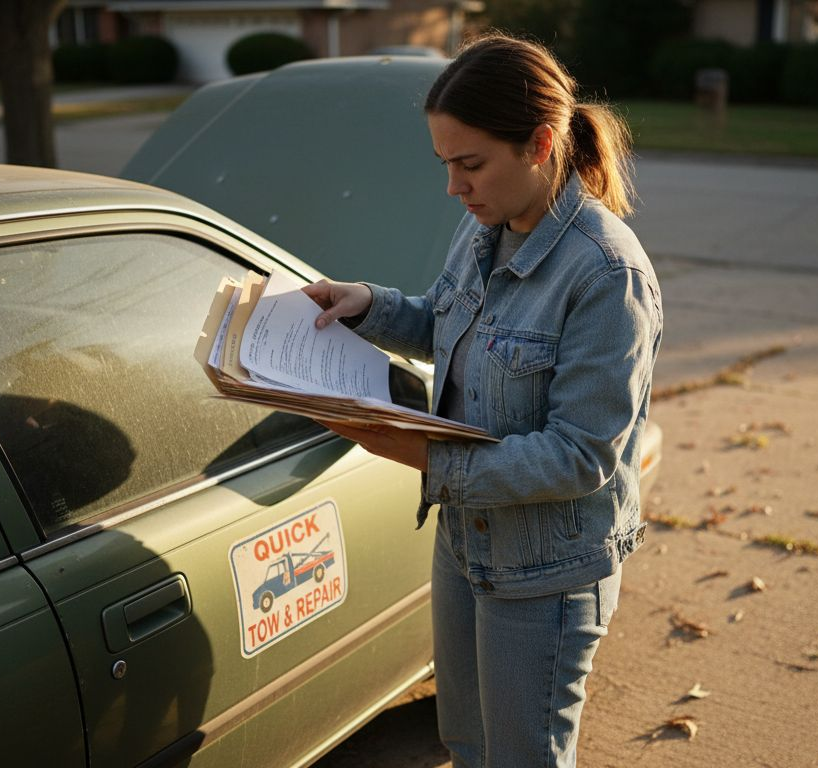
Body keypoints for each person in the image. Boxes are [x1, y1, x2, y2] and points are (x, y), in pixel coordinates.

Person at [301, 33, 662, 768]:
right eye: (445, 165)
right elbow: (444, 318)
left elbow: (580, 455)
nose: (454, 188)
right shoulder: (484, 230)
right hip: (465, 546)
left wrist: (421, 456)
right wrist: (366, 304)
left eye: (470, 164)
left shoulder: (606, 275)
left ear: (539, 142)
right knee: (466, 744)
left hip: (546, 576)